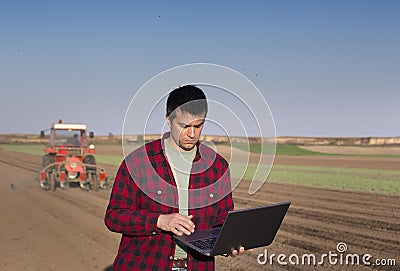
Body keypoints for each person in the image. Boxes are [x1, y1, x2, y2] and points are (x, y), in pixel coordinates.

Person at [105, 85, 249, 271]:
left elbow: (222, 220)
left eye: (198, 126)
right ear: (168, 119)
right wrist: (159, 221)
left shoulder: (217, 167)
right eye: (184, 126)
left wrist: (230, 241)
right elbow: (114, 216)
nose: (192, 134)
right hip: (145, 265)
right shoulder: (138, 162)